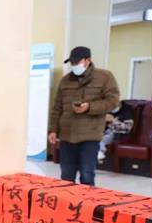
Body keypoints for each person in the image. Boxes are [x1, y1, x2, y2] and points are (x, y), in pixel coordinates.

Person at [48, 46, 120, 186]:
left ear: (88, 60)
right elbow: (57, 107)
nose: (74, 65)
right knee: (66, 175)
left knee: (87, 175)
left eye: (77, 62)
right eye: (72, 63)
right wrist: (53, 129)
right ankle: (67, 205)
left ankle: (86, 206)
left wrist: (89, 107)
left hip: (90, 135)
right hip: (67, 135)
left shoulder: (105, 77)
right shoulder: (65, 81)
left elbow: (113, 101)